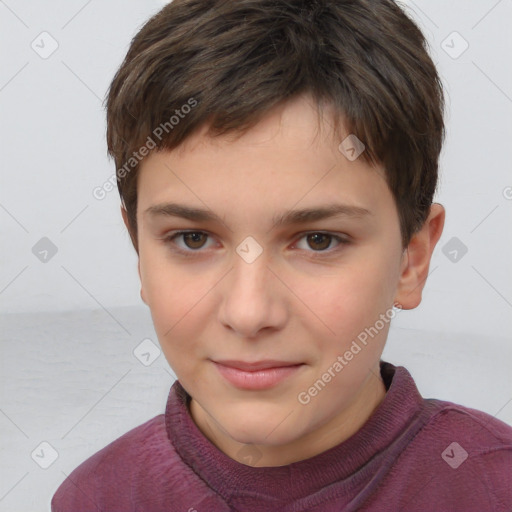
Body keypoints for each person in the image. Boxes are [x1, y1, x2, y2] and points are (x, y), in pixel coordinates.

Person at [51, 0, 512, 510]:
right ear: (139, 252)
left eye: (319, 240)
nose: (249, 313)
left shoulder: (495, 486)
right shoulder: (94, 498)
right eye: (193, 239)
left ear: (412, 259)